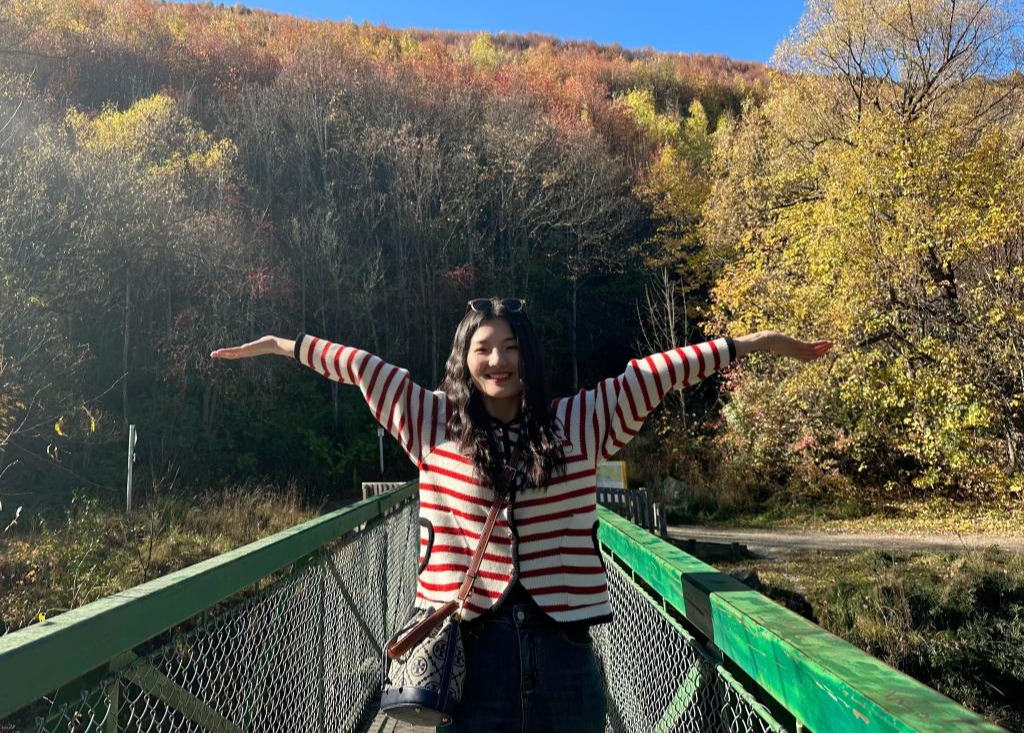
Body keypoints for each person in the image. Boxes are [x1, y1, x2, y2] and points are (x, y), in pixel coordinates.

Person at [211, 297, 831, 733]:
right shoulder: (431, 421)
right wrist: (282, 345)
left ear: (529, 357)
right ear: (464, 358)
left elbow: (655, 374)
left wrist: (753, 344)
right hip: (469, 653)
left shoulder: (581, 421)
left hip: (564, 650)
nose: (498, 360)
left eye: (511, 348)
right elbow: (360, 366)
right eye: (483, 348)